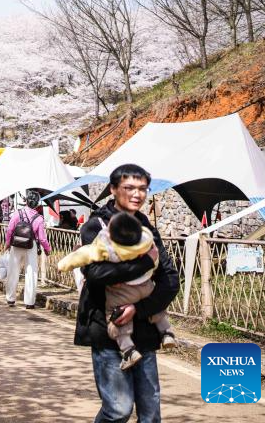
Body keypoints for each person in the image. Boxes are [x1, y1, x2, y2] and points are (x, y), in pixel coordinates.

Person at [75, 164, 179, 422]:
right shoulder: (95, 226)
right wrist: (143, 264)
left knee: (150, 411)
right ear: (113, 189)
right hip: (108, 329)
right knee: (118, 409)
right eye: (129, 188)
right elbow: (96, 275)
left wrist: (140, 309)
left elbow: (170, 280)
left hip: (145, 328)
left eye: (143, 188)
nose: (137, 194)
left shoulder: (147, 228)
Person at [58, 211, 177, 370]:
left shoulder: (103, 240)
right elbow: (158, 261)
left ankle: (128, 350)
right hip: (145, 285)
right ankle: (167, 332)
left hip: (121, 292)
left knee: (114, 316)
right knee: (157, 309)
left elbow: (84, 259)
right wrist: (149, 264)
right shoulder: (142, 236)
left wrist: (63, 264)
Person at [3, 190, 52, 309]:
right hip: (31, 246)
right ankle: (29, 302)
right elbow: (42, 238)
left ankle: (10, 298)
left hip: (16, 245)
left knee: (13, 271)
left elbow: (9, 230)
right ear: (37, 204)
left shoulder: (17, 213)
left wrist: (8, 243)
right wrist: (47, 249)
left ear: (26, 201)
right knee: (31, 273)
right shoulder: (39, 219)